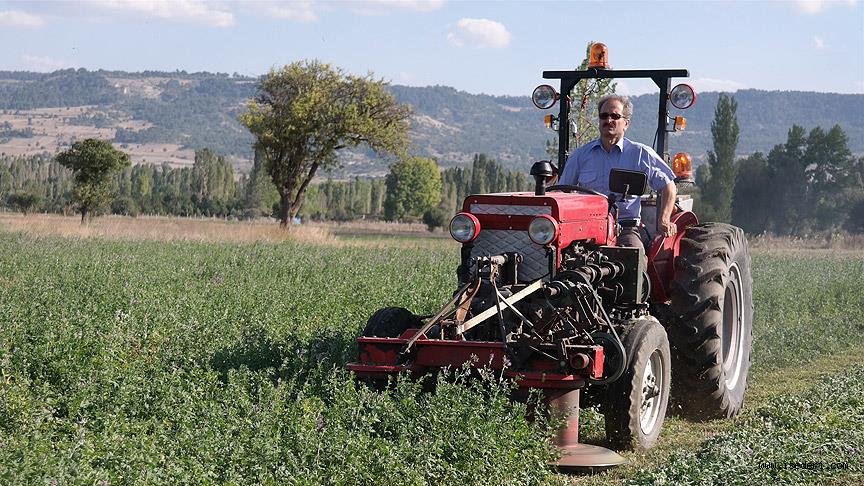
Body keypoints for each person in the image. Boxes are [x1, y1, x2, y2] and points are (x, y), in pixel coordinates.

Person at [558, 94, 677, 248]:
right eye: (604, 116)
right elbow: (561, 193)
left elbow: (669, 185)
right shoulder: (581, 155)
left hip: (625, 228)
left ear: (626, 123)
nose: (608, 120)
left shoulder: (641, 154)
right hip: (587, 228)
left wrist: (664, 219)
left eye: (615, 116)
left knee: (633, 259)